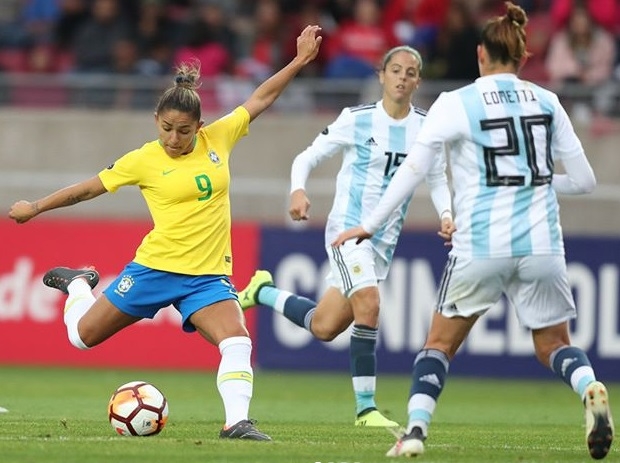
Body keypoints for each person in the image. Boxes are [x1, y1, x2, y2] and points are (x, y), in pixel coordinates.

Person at [8, 25, 322, 441]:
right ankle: (79, 286)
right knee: (81, 338)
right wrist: (36, 207)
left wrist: (299, 61)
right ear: (156, 120)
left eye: (184, 131)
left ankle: (236, 423)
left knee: (237, 340)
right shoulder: (144, 159)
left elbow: (260, 97)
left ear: (200, 125)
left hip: (207, 277)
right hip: (155, 268)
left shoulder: (220, 138)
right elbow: (87, 189)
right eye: (167, 128)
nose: (174, 139)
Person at [332, 3, 614, 459]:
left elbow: (413, 169)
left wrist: (368, 224)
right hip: (543, 243)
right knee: (554, 345)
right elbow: (584, 181)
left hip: (482, 242)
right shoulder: (548, 101)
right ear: (523, 57)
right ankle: (589, 387)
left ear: (480, 54)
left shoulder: (455, 103)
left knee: (438, 346)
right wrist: (535, 179)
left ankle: (416, 433)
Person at [237, 45, 454, 427]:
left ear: (418, 81)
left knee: (325, 325)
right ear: (381, 75)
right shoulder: (356, 119)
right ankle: (366, 409)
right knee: (369, 303)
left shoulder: (426, 128)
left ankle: (262, 291)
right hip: (347, 231)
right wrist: (298, 189)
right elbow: (307, 157)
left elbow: (436, 177)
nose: (402, 78)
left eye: (410, 72)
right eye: (396, 70)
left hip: (383, 242)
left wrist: (448, 215)